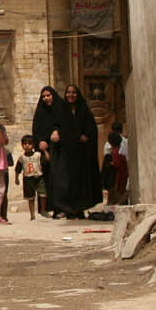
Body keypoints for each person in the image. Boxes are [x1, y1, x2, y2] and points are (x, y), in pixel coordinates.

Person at [32, 86, 76, 217]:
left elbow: (69, 125)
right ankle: (55, 208)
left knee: (62, 177)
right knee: (50, 179)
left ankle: (66, 208)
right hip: (47, 151)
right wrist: (40, 141)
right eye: (43, 96)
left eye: (48, 95)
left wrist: (59, 132)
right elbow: (37, 129)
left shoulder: (62, 107)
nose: (46, 98)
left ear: (53, 95)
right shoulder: (41, 111)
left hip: (62, 149)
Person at [64, 84, 101, 214]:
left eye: (74, 92)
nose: (71, 95)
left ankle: (79, 209)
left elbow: (92, 130)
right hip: (66, 153)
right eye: (68, 92)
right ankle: (68, 210)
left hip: (81, 154)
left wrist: (86, 136)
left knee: (80, 181)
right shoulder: (62, 111)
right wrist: (75, 137)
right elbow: (61, 128)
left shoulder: (84, 110)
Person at [18, 133, 43, 220]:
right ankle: (32, 214)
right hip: (28, 179)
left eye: (29, 144)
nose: (27, 146)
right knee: (30, 198)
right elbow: (18, 169)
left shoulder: (38, 155)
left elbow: (46, 161)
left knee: (43, 194)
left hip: (38, 177)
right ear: (22, 145)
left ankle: (43, 210)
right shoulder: (22, 157)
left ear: (33, 145)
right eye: (25, 144)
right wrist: (16, 178)